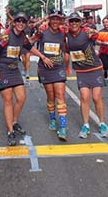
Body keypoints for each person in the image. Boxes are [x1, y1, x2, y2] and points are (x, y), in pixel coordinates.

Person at [0, 12, 54, 146]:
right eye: (18, 21)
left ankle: (14, 121)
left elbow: (30, 47)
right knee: (8, 100)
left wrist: (43, 57)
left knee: (21, 98)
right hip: (2, 70)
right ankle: (10, 131)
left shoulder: (22, 36)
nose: (21, 23)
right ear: (14, 22)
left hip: (14, 69)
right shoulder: (6, 35)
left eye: (24, 22)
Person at [66, 12, 108, 139]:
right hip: (81, 71)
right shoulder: (66, 36)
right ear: (69, 22)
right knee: (84, 97)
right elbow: (65, 51)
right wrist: (66, 66)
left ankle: (102, 123)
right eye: (71, 21)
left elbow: (104, 35)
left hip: (95, 69)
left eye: (76, 21)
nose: (74, 23)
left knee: (96, 97)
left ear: (80, 22)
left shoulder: (87, 32)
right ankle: (85, 125)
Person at [33, 10, 70, 140]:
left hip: (58, 68)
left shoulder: (63, 34)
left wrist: (67, 66)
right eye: (53, 19)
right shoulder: (42, 32)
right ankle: (53, 119)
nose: (55, 22)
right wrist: (42, 57)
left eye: (57, 19)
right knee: (51, 96)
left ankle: (63, 127)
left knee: (60, 95)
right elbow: (29, 43)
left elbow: (65, 50)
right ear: (50, 20)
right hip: (45, 68)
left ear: (60, 21)